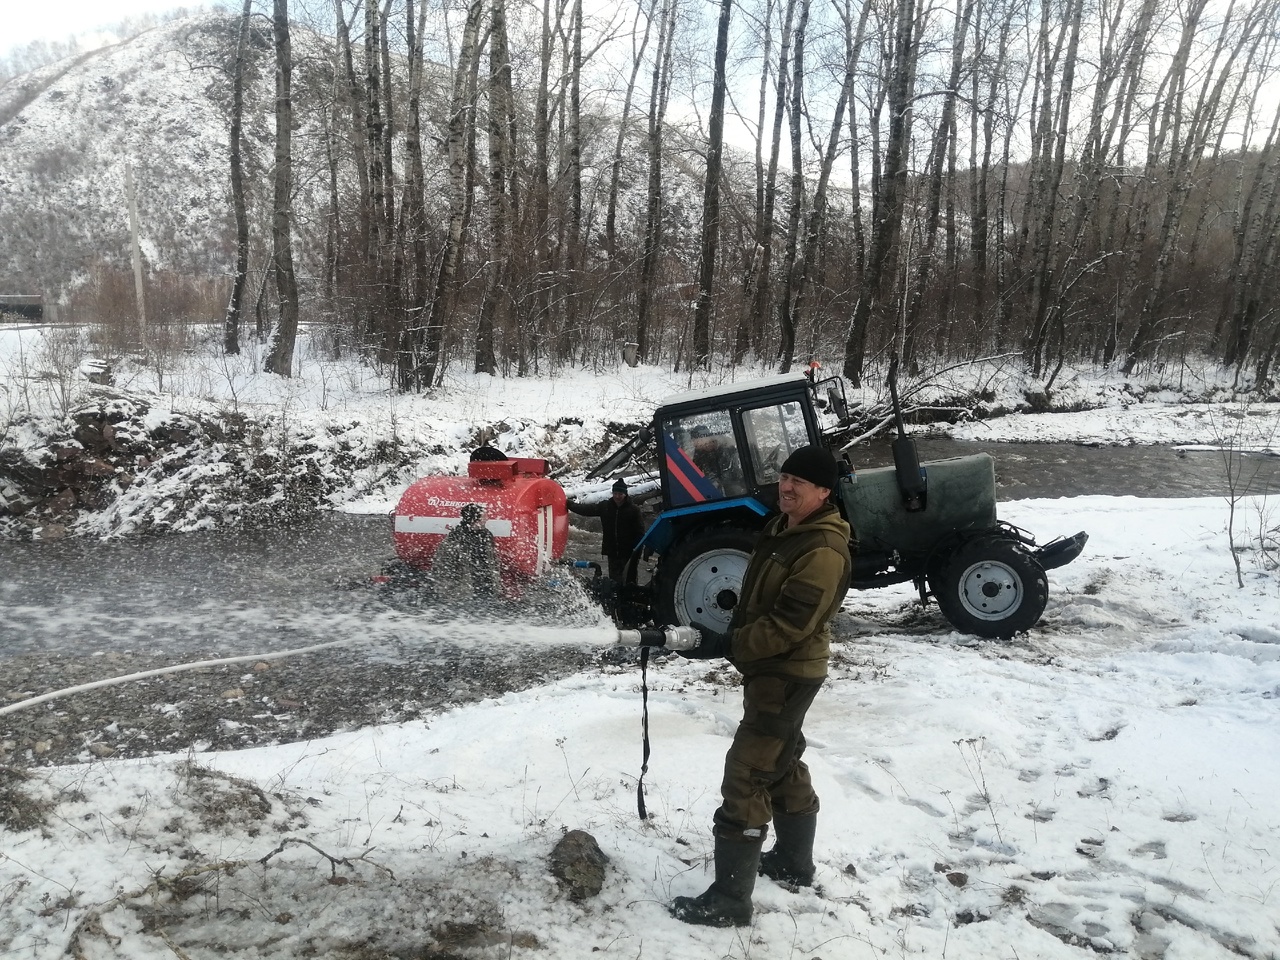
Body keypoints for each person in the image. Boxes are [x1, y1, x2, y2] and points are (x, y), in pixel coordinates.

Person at [670, 445, 853, 928]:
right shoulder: (784, 529)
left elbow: (789, 626)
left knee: (748, 773)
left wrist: (727, 644)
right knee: (781, 760)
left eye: (800, 482)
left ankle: (731, 901)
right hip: (771, 670)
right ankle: (793, 865)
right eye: (784, 477)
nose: (786, 487)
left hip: (788, 672)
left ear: (824, 492)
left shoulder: (823, 550)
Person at [566, 479, 645, 584]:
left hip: (628, 552)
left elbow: (640, 532)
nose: (617, 496)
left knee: (629, 581)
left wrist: (637, 551)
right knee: (614, 581)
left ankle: (629, 598)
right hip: (612, 551)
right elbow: (586, 510)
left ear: (625, 494)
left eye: (620, 494)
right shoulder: (606, 506)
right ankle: (616, 598)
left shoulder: (634, 510)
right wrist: (569, 504)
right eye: (615, 493)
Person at [430, 502, 501, 601]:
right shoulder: (456, 537)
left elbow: (493, 560)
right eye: (484, 516)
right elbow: (444, 565)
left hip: (486, 587)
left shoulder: (487, 535)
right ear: (475, 520)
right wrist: (452, 589)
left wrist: (496, 584)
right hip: (465, 591)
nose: (487, 519)